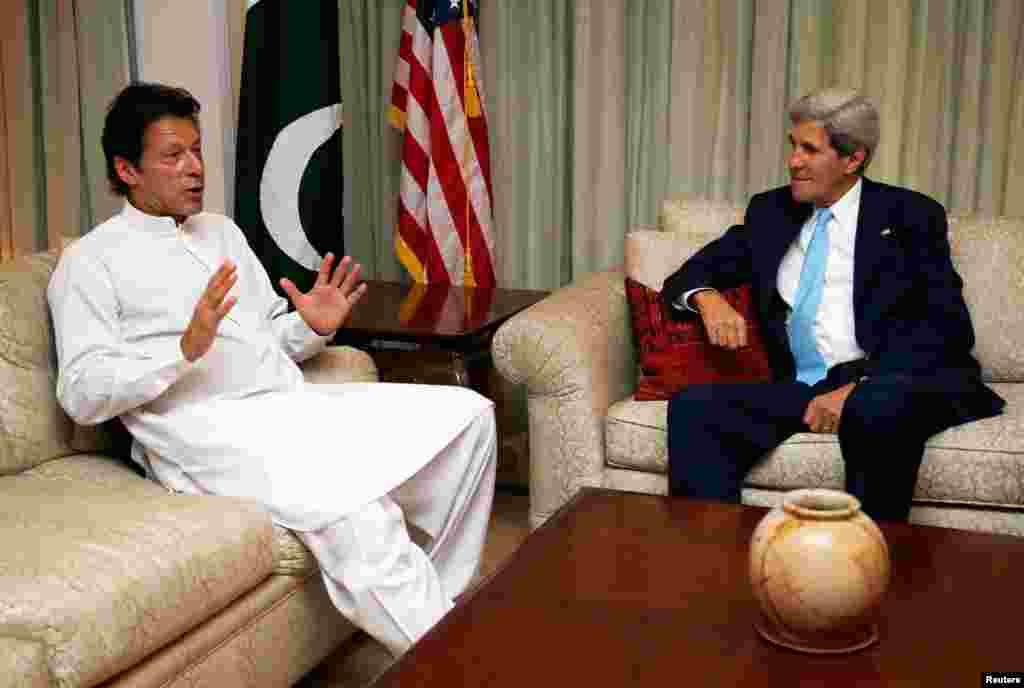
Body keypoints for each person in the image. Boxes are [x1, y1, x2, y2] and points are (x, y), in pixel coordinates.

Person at [48, 82, 497, 657]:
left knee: (468, 418)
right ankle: (456, 659)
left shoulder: (221, 232)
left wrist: (312, 326)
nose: (194, 168)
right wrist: (181, 350)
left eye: (196, 150)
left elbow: (267, 342)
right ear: (126, 169)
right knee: (357, 509)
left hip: (287, 404)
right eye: (172, 155)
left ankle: (438, 614)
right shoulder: (89, 263)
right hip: (203, 434)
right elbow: (81, 394)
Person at [661, 87, 1004, 522]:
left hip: (892, 379)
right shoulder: (772, 212)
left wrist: (858, 387)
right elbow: (688, 275)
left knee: (875, 407)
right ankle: (711, 565)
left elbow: (947, 328)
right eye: (793, 147)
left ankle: (871, 568)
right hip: (804, 386)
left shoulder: (909, 216)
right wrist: (707, 299)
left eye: (810, 150)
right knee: (696, 408)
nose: (794, 161)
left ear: (852, 159)